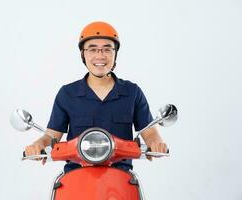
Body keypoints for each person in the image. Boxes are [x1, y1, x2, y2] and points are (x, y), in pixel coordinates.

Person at [24, 21, 168, 173]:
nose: (100, 55)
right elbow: (51, 136)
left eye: (107, 49)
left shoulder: (132, 92)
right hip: (76, 177)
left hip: (121, 178)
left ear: (115, 53)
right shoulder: (67, 93)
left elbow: (150, 132)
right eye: (92, 49)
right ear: (83, 54)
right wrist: (38, 145)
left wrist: (156, 143)